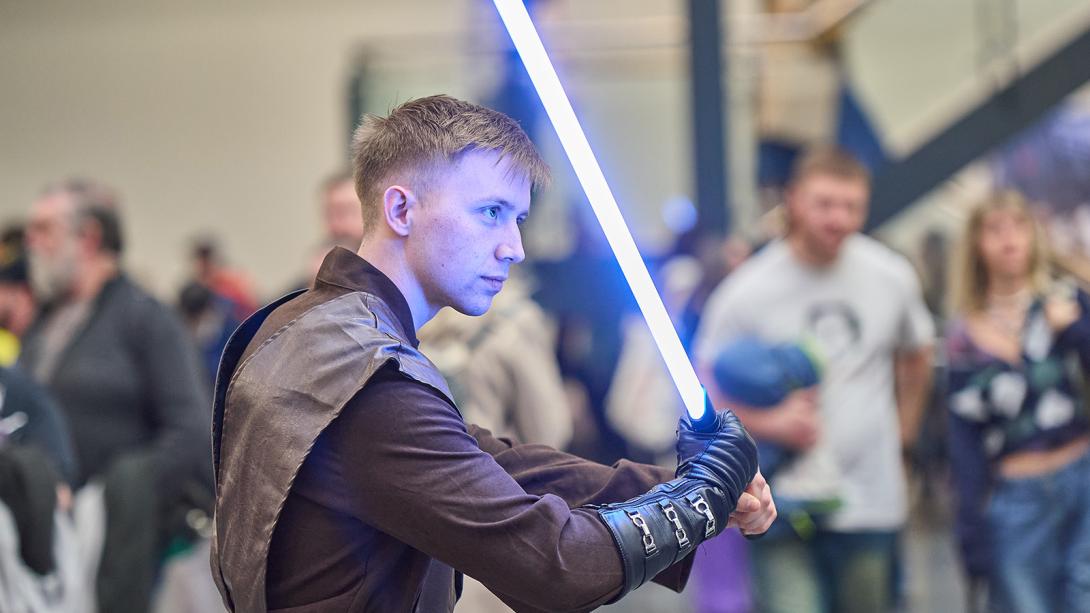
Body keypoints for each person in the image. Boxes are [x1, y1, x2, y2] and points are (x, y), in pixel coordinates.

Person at [210, 95, 776, 613]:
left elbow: (500, 465)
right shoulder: (365, 381)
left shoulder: (303, 329)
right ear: (402, 211)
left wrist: (683, 486)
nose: (514, 247)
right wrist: (699, 498)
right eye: (490, 212)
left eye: (519, 218)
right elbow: (557, 565)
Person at [694, 147, 934, 613]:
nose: (839, 219)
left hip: (870, 499)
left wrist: (903, 434)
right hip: (781, 502)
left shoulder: (891, 276)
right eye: (825, 204)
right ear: (795, 201)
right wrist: (771, 422)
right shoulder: (748, 289)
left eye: (852, 206)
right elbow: (699, 390)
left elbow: (918, 353)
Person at [19, 179, 213, 613]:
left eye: (44, 229)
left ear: (88, 238)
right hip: (48, 540)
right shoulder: (43, 325)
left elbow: (191, 428)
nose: (31, 242)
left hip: (122, 547)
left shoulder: (146, 319)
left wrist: (117, 492)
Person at [945, 191, 1090, 613]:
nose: (1009, 240)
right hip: (1016, 496)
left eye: (1018, 226)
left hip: (1081, 477)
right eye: (995, 229)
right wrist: (969, 525)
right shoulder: (963, 336)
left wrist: (1075, 332)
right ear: (976, 243)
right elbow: (963, 437)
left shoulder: (1065, 301)